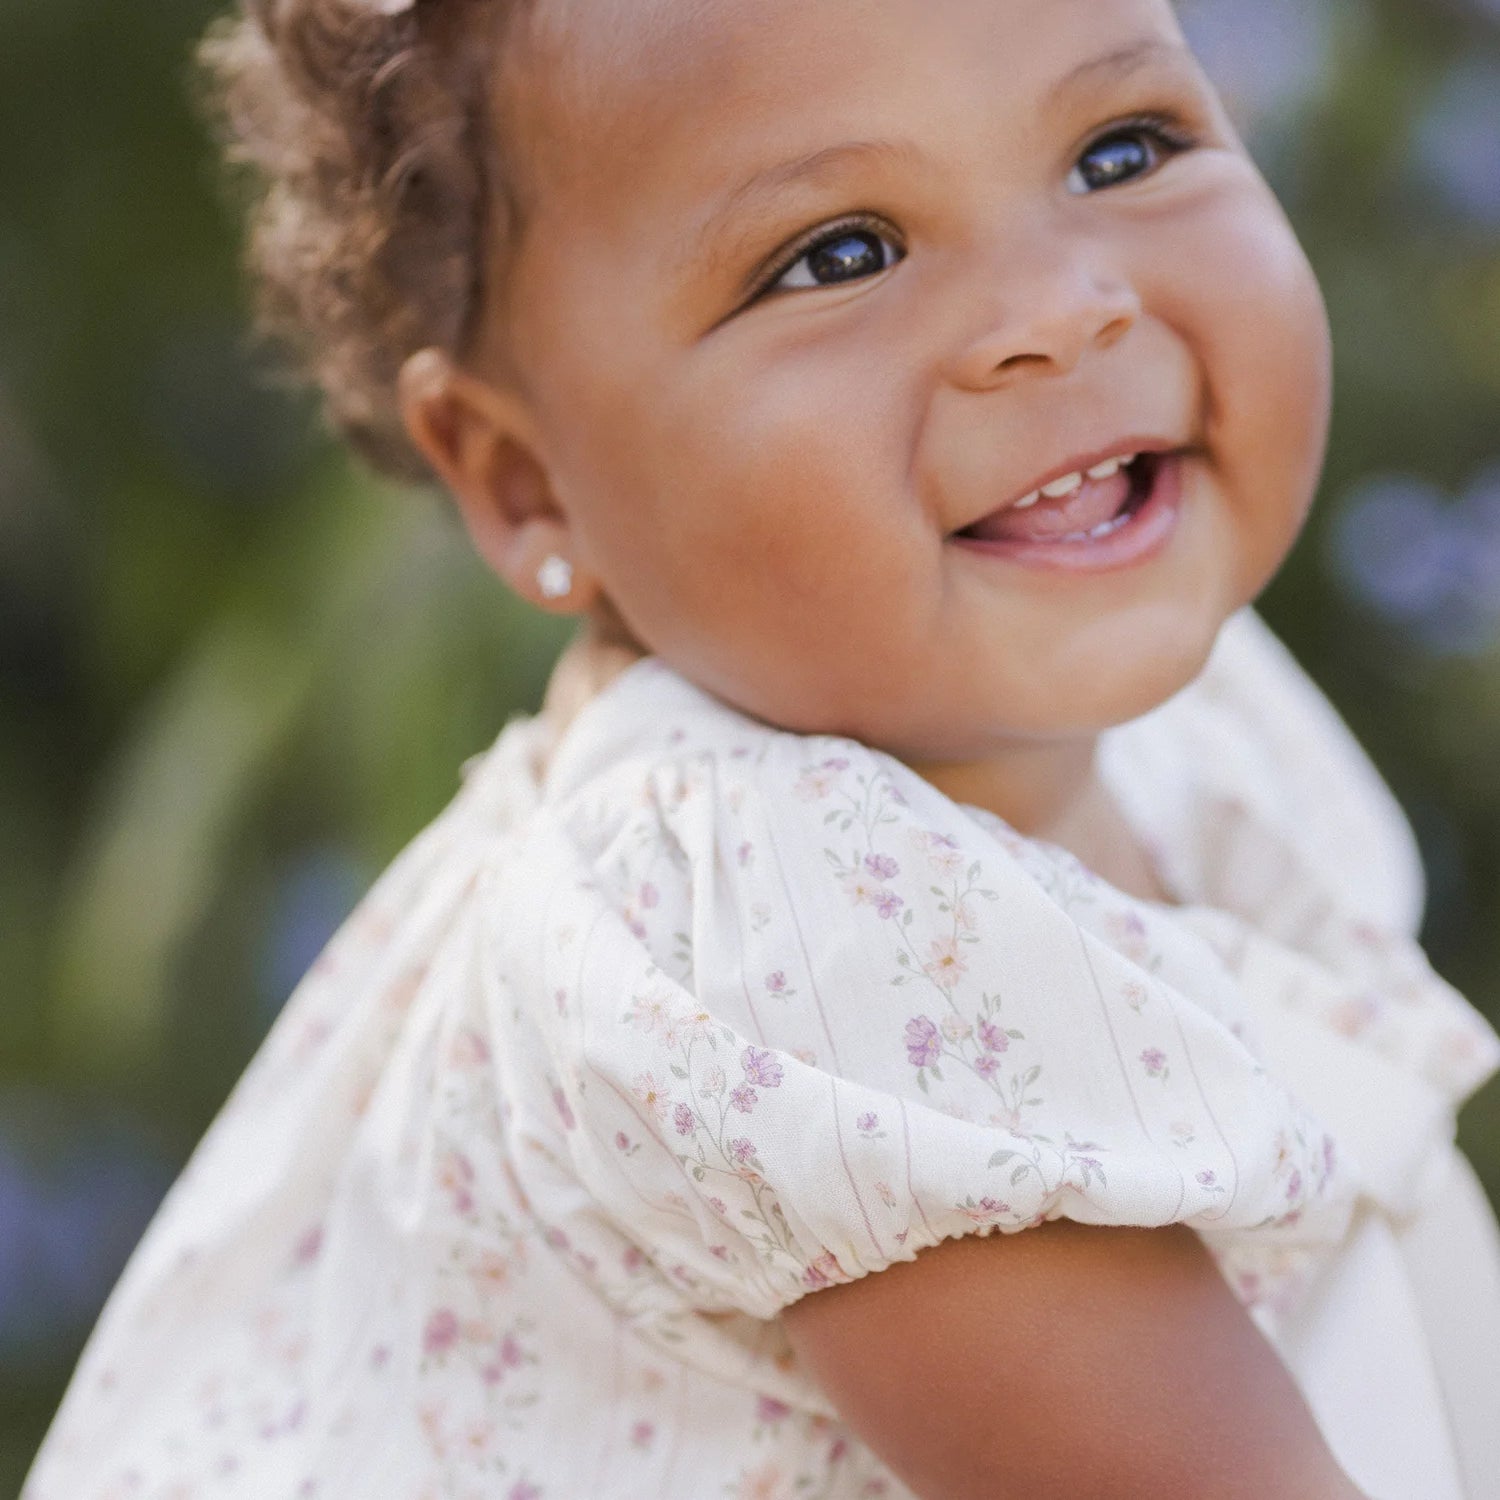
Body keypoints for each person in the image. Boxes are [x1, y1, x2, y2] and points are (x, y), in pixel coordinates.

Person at [24, 0, 1500, 1495]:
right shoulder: (785, 928)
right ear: (527, 479)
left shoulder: (1154, 705)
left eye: (1125, 147)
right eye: (840, 254)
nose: (1063, 308)